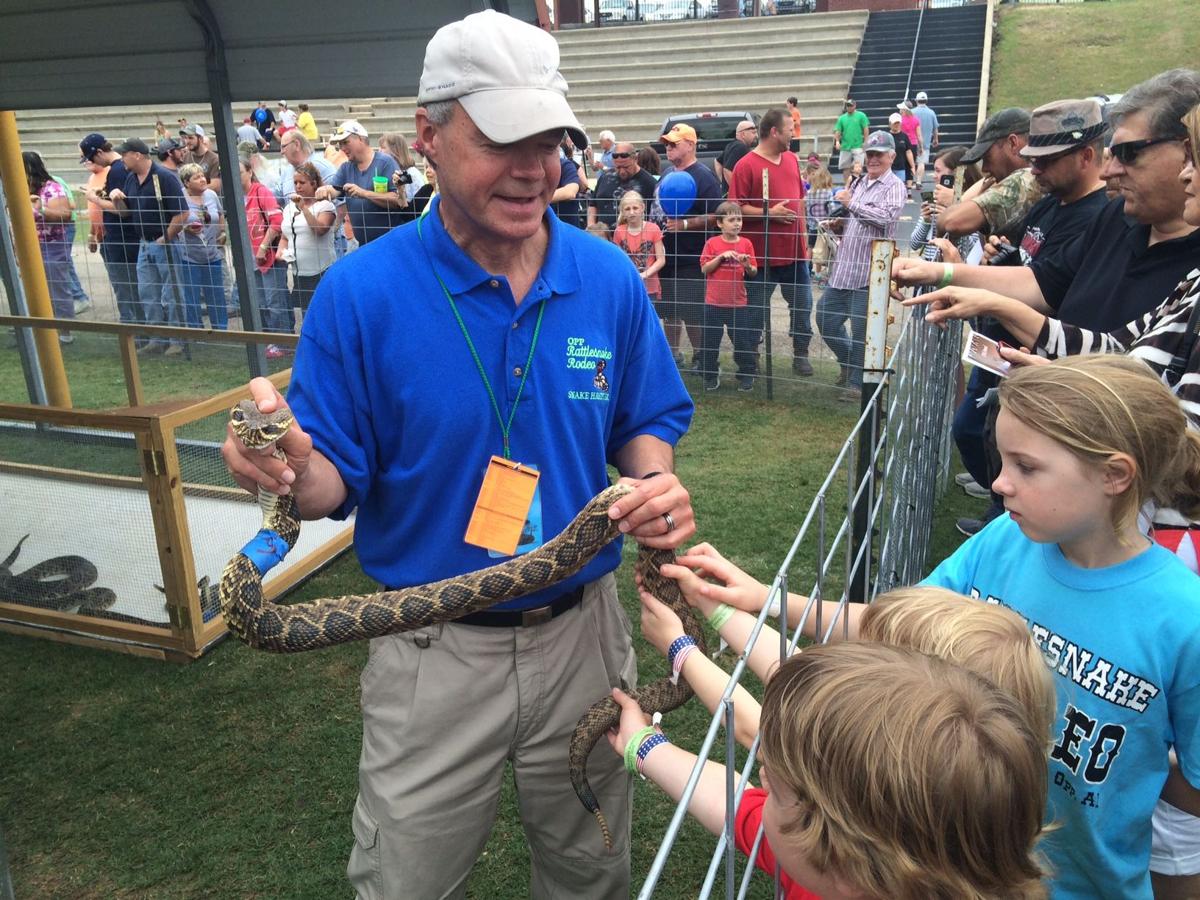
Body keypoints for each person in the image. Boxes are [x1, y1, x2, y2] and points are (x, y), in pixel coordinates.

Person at [220, 11, 695, 899]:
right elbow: (328, 486)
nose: (535, 169)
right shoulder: (361, 294)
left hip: (584, 633)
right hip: (427, 647)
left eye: (551, 140)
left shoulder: (604, 278)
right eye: (504, 140)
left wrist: (654, 482)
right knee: (403, 880)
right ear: (429, 137)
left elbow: (646, 420)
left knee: (593, 870)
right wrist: (284, 467)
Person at [607, 641, 1050, 900]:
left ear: (839, 852)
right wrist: (645, 747)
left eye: (776, 791)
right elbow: (734, 806)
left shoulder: (819, 875)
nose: (760, 787)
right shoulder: (847, 868)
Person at [894, 69, 1200, 335]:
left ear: (1188, 150)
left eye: (1129, 153)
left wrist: (970, 289)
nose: (1110, 171)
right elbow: (1042, 283)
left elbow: (1118, 362)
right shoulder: (1115, 216)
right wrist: (942, 274)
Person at [816, 130, 905, 394]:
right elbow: (859, 219)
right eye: (870, 154)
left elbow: (886, 220)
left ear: (891, 156)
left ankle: (856, 385)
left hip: (869, 275)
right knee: (825, 320)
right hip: (844, 270)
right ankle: (849, 364)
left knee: (862, 332)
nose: (873, 159)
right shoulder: (860, 181)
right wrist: (841, 224)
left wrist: (852, 204)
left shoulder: (895, 186)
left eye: (878, 154)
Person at [728, 107, 812, 379]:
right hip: (760, 256)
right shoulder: (746, 165)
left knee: (802, 306)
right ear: (774, 131)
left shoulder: (790, 160)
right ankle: (749, 362)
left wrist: (805, 238)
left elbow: (800, 202)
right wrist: (769, 213)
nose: (793, 135)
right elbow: (734, 208)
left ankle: (801, 353)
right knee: (754, 313)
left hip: (795, 252)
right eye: (789, 130)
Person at [107, 136, 189, 355]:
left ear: (137, 155)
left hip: (163, 244)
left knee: (172, 293)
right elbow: (126, 213)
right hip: (144, 243)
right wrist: (116, 199)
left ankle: (177, 340)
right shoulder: (131, 179)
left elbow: (182, 213)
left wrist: (165, 237)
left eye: (124, 154)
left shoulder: (164, 177)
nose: (121, 158)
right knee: (148, 292)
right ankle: (157, 338)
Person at [653, 123, 723, 369]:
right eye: (667, 144)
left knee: (692, 311)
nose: (669, 148)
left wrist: (685, 224)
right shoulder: (666, 174)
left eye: (674, 143)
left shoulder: (704, 176)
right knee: (670, 311)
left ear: (691, 145)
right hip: (665, 255)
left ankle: (702, 358)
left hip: (692, 256)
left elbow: (718, 216)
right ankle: (673, 357)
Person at [936, 107, 1040, 243]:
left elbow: (949, 221)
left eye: (987, 157)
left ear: (1013, 143)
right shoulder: (1038, 177)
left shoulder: (1024, 179)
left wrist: (967, 199)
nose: (985, 167)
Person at [80, 133, 141, 325]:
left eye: (91, 158)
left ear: (99, 152)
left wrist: (95, 199)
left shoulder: (116, 171)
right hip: (125, 237)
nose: (90, 162)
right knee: (131, 288)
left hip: (121, 239)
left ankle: (137, 331)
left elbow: (122, 209)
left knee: (127, 288)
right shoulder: (121, 168)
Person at [698, 200, 758, 391]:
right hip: (713, 303)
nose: (737, 223)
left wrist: (747, 264)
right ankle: (709, 375)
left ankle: (747, 374)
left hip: (738, 304)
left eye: (739, 219)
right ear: (720, 223)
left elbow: (754, 272)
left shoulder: (746, 243)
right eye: (732, 219)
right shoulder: (712, 243)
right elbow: (705, 269)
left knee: (742, 341)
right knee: (709, 342)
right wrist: (721, 256)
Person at [315, 119, 404, 245]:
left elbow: (398, 200)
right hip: (363, 245)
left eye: (345, 142)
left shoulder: (385, 162)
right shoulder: (346, 167)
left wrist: (364, 193)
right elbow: (334, 190)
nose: (342, 148)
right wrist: (324, 190)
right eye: (340, 144)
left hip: (389, 244)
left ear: (361, 139)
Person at [237, 159, 291, 356]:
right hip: (249, 259)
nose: (237, 176)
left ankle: (284, 342)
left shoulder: (261, 192)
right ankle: (271, 341)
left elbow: (277, 222)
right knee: (261, 302)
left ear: (250, 172)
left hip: (267, 258)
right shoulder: (234, 196)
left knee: (275, 302)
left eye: (240, 171)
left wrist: (262, 247)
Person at [24, 151, 76, 343]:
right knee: (30, 289)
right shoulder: (17, 188)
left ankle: (64, 332)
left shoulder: (51, 188)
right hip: (25, 246)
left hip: (51, 245)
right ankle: (37, 330)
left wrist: (40, 211)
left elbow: (65, 214)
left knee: (57, 288)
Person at [278, 163, 336, 314]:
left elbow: (320, 230)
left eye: (302, 182)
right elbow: (285, 236)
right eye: (295, 183)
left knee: (323, 313)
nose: (298, 186)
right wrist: (281, 251)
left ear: (314, 183)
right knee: (306, 314)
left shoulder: (325, 206)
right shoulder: (289, 208)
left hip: (321, 271)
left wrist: (304, 208)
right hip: (299, 273)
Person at [176, 162, 227, 330]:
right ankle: (195, 331)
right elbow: (174, 221)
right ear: (186, 182)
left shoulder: (211, 195)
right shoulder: (179, 197)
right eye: (196, 177)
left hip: (212, 254)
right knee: (191, 297)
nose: (202, 179)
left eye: (202, 175)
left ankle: (221, 330)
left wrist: (222, 232)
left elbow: (219, 215)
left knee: (217, 295)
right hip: (188, 257)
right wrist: (185, 229)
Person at [587, 141, 657, 229]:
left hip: (633, 237)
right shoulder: (605, 177)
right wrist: (591, 225)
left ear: (635, 159)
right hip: (602, 237)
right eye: (618, 167)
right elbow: (593, 204)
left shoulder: (649, 182)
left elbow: (654, 215)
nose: (622, 172)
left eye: (626, 167)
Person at [612, 191, 664, 305]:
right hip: (628, 284)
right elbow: (618, 260)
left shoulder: (653, 229)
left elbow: (661, 259)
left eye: (635, 208)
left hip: (650, 285)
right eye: (627, 209)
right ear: (623, 212)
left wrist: (644, 274)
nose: (632, 212)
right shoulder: (619, 231)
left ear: (642, 208)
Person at [378, 131, 426, 214]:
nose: (379, 151)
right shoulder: (388, 172)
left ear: (395, 150)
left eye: (383, 147)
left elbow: (421, 203)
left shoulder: (411, 173)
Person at [831, 99, 869, 183]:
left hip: (858, 145)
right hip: (845, 146)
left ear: (855, 106)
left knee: (858, 167)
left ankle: (858, 184)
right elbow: (838, 131)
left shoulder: (861, 116)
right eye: (848, 105)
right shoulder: (842, 118)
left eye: (851, 105)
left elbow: (865, 128)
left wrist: (865, 141)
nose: (849, 107)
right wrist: (837, 141)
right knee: (845, 167)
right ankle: (846, 185)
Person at [714, 120, 757, 191]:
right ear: (743, 134)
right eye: (753, 133)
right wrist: (737, 191)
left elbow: (717, 161)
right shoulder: (741, 147)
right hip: (735, 199)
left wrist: (723, 183)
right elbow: (727, 170)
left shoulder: (731, 145)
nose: (756, 136)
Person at [179, 123, 222, 193]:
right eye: (185, 138)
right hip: (189, 200)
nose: (187, 141)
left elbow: (216, 185)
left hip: (208, 200)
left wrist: (193, 190)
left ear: (201, 139)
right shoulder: (185, 157)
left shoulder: (214, 158)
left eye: (191, 138)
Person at [911, 90, 940, 184]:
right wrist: (935, 139)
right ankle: (919, 181)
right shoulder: (931, 113)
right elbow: (935, 128)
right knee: (921, 162)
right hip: (925, 143)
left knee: (910, 163)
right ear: (926, 101)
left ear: (916, 101)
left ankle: (909, 181)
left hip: (912, 142)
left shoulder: (911, 112)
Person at [887, 112, 916, 188]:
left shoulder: (904, 136)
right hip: (888, 167)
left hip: (901, 167)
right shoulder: (886, 136)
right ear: (890, 124)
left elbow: (908, 151)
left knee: (900, 187)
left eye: (898, 123)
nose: (896, 125)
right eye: (894, 123)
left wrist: (912, 166)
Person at [896, 100, 923, 164]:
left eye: (901, 109)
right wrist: (921, 147)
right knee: (912, 164)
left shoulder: (900, 120)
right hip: (913, 144)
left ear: (904, 110)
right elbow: (919, 135)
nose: (900, 110)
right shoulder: (916, 119)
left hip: (903, 144)